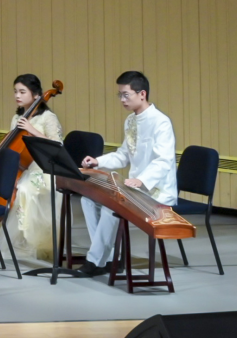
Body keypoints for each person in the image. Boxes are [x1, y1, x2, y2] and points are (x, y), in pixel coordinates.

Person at [76, 71, 177, 277]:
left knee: (111, 206)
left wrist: (142, 180)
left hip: (156, 190)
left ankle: (95, 261)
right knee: (88, 200)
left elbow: (164, 160)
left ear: (142, 94)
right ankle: (110, 258)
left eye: (126, 95)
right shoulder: (130, 121)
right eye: (120, 95)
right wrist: (98, 161)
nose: (122, 100)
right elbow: (123, 155)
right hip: (134, 187)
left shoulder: (161, 122)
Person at [6, 74, 65, 262]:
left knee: (24, 188)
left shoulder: (48, 117)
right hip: (26, 166)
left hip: (46, 168)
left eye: (22, 92)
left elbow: (57, 146)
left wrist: (32, 130)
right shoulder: (17, 117)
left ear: (36, 95)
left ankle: (32, 242)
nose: (17, 95)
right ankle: (20, 240)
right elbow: (11, 146)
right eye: (15, 91)